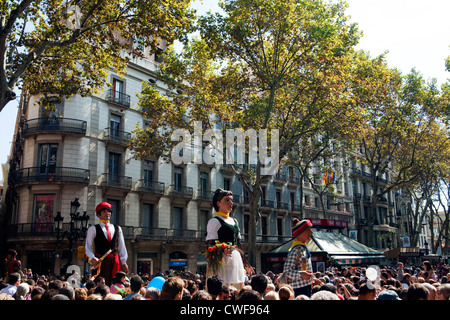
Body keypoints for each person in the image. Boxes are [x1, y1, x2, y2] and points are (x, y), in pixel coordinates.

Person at [205, 189, 254, 290]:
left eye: (231, 200)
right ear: (218, 203)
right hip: (221, 263)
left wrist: (246, 263)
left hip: (236, 261)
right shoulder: (214, 221)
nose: (231, 203)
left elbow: (239, 244)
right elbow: (209, 246)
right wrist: (222, 249)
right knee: (223, 290)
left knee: (237, 290)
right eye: (227, 200)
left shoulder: (234, 221)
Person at [85, 201, 129, 286]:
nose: (107, 213)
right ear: (99, 215)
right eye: (104, 211)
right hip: (100, 264)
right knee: (101, 286)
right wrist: (92, 258)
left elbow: (121, 247)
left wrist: (123, 262)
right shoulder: (93, 229)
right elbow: (88, 247)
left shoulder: (118, 228)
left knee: (115, 286)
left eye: (109, 211)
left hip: (115, 263)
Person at [281, 218, 314, 297]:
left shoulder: (304, 249)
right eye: (308, 230)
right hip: (298, 290)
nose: (311, 232)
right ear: (300, 233)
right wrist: (301, 274)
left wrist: (314, 279)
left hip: (307, 288)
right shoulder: (295, 250)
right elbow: (287, 271)